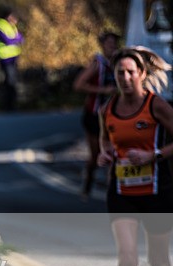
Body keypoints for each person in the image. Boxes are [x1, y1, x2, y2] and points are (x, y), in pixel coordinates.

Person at [97, 46, 173, 266]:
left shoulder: (157, 106)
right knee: (127, 258)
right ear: (114, 77)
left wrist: (153, 155)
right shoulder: (108, 109)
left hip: (156, 191)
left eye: (130, 72)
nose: (125, 78)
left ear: (142, 74)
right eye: (119, 73)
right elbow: (106, 139)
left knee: (158, 261)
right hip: (122, 191)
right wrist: (104, 153)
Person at [73, 31, 120, 200]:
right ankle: (87, 184)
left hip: (114, 116)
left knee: (114, 154)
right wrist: (102, 90)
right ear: (102, 45)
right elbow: (78, 85)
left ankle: (112, 193)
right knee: (95, 156)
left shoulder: (120, 64)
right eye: (109, 44)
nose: (112, 47)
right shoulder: (97, 64)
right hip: (94, 115)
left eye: (114, 44)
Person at [0, 8, 23, 111]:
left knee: (12, 82)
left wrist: (15, 40)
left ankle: (12, 104)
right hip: (5, 58)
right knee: (9, 81)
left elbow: (21, 39)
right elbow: (7, 40)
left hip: (13, 58)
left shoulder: (11, 26)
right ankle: (8, 106)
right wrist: (15, 40)